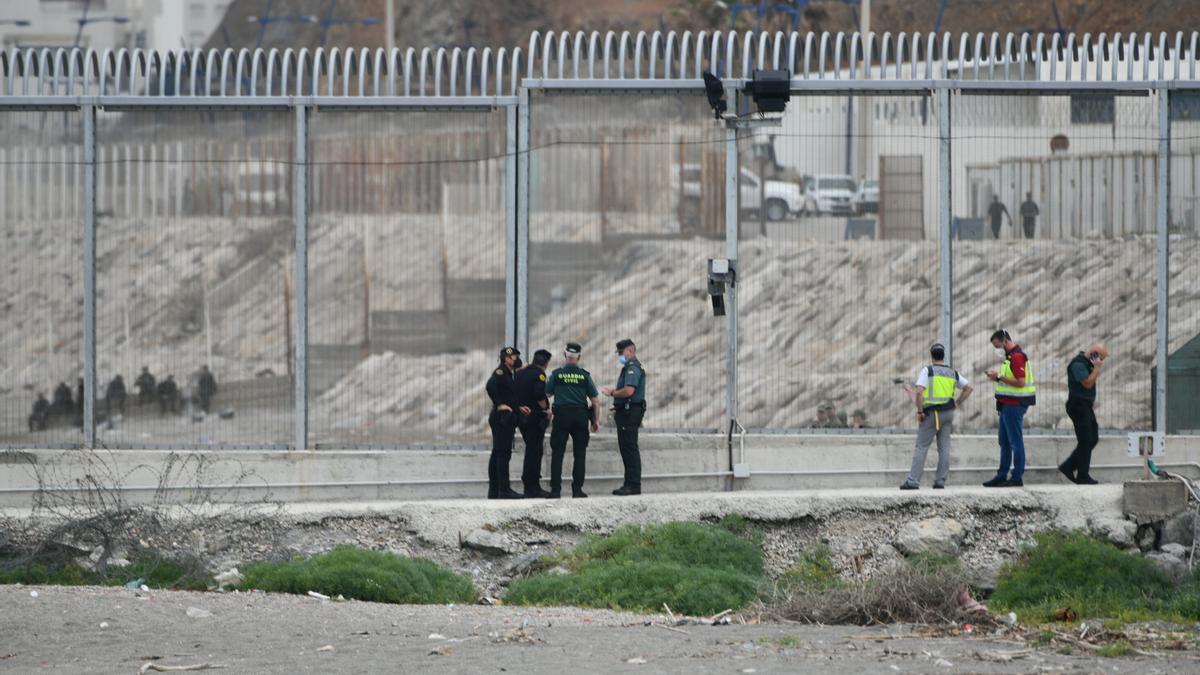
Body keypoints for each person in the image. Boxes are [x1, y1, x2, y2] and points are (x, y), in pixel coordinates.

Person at [900, 343, 974, 490]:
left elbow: (920, 392)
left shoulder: (928, 371)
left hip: (931, 413)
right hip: (948, 413)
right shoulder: (953, 372)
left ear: (932, 355)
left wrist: (920, 411)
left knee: (921, 447)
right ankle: (940, 480)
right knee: (944, 448)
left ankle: (913, 481)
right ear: (943, 356)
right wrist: (957, 403)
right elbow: (969, 388)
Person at [544, 342, 601, 499]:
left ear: (564, 355)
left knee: (558, 454)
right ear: (579, 357)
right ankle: (577, 490)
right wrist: (595, 421)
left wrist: (546, 410)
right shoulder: (584, 375)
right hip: (580, 417)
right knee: (580, 454)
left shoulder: (556, 374)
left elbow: (546, 395)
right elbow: (595, 401)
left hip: (562, 416)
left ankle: (556, 491)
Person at [983, 329, 1037, 487]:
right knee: (1004, 441)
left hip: (1015, 405)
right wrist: (997, 378)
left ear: (1005, 341)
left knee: (1015, 441)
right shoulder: (1009, 358)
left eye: (997, 346)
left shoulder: (1017, 357)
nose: (997, 350)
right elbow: (1010, 381)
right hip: (1007, 404)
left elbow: (1020, 382)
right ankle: (1001, 474)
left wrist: (999, 377)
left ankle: (1016, 477)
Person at [602, 338, 646, 496]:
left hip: (630, 412)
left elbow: (628, 391)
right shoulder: (628, 367)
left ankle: (633, 485)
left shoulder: (632, 367)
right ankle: (630, 483)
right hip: (626, 411)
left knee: (629, 447)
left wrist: (613, 393)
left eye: (621, 353)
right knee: (627, 447)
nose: (620, 356)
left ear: (630, 351)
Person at [1060, 342, 1108, 485]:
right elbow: (1087, 383)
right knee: (1086, 439)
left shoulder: (1087, 364)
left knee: (1093, 438)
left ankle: (1068, 466)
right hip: (1078, 405)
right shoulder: (1078, 365)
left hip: (1085, 405)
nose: (1101, 361)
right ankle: (1082, 475)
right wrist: (1097, 368)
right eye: (1100, 358)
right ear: (1094, 354)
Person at [485, 347, 525, 500]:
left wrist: (518, 407)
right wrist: (499, 404)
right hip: (501, 418)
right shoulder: (500, 372)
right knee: (503, 454)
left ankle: (495, 491)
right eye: (514, 357)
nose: (516, 359)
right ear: (506, 358)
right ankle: (504, 490)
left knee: (498, 453)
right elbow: (490, 386)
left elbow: (508, 395)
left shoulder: (509, 374)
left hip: (506, 417)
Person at [515, 349, 553, 498]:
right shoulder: (539, 374)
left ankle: (530, 484)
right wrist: (546, 408)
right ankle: (532, 487)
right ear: (546, 363)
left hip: (522, 417)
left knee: (531, 449)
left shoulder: (520, 373)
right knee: (535, 451)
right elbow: (538, 393)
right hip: (534, 417)